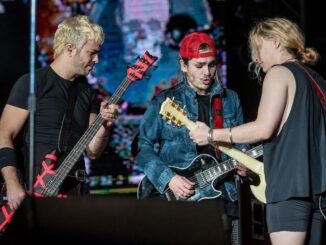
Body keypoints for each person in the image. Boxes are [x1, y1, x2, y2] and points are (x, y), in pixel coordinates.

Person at [189, 17, 326, 245]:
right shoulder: (317, 80)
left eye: (257, 49)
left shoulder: (279, 73)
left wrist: (212, 135)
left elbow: (263, 128)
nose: (254, 58)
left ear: (276, 42)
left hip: (289, 191)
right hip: (319, 193)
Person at [135, 31, 249, 243]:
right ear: (183, 65)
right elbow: (141, 146)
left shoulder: (231, 99)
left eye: (212, 64)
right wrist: (168, 178)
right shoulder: (165, 100)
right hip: (181, 202)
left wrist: (246, 165)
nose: (207, 72)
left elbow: (242, 144)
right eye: (199, 65)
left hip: (225, 198)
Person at [0, 15, 119, 211]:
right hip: (33, 188)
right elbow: (4, 134)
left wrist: (104, 126)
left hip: (75, 191)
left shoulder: (88, 93)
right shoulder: (32, 83)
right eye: (92, 52)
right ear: (70, 49)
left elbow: (93, 151)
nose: (96, 59)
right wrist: (13, 184)